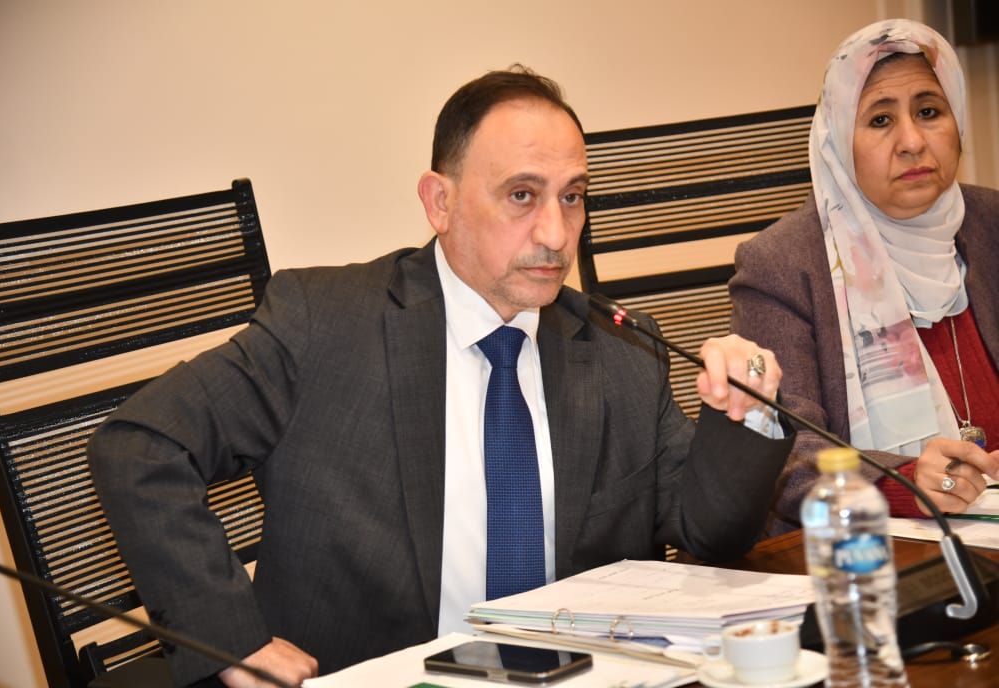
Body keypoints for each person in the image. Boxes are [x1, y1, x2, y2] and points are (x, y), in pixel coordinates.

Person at [89, 66, 794, 688]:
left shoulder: (619, 349)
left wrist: (750, 409)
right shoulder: (323, 324)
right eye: (522, 195)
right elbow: (141, 445)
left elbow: (711, 536)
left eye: (573, 196)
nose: (556, 233)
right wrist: (227, 638)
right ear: (440, 202)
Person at [730, 19, 999, 536]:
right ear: (838, 140)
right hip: (858, 552)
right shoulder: (782, 266)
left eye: (929, 111)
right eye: (880, 120)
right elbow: (785, 452)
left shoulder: (991, 224)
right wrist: (905, 482)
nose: (912, 141)